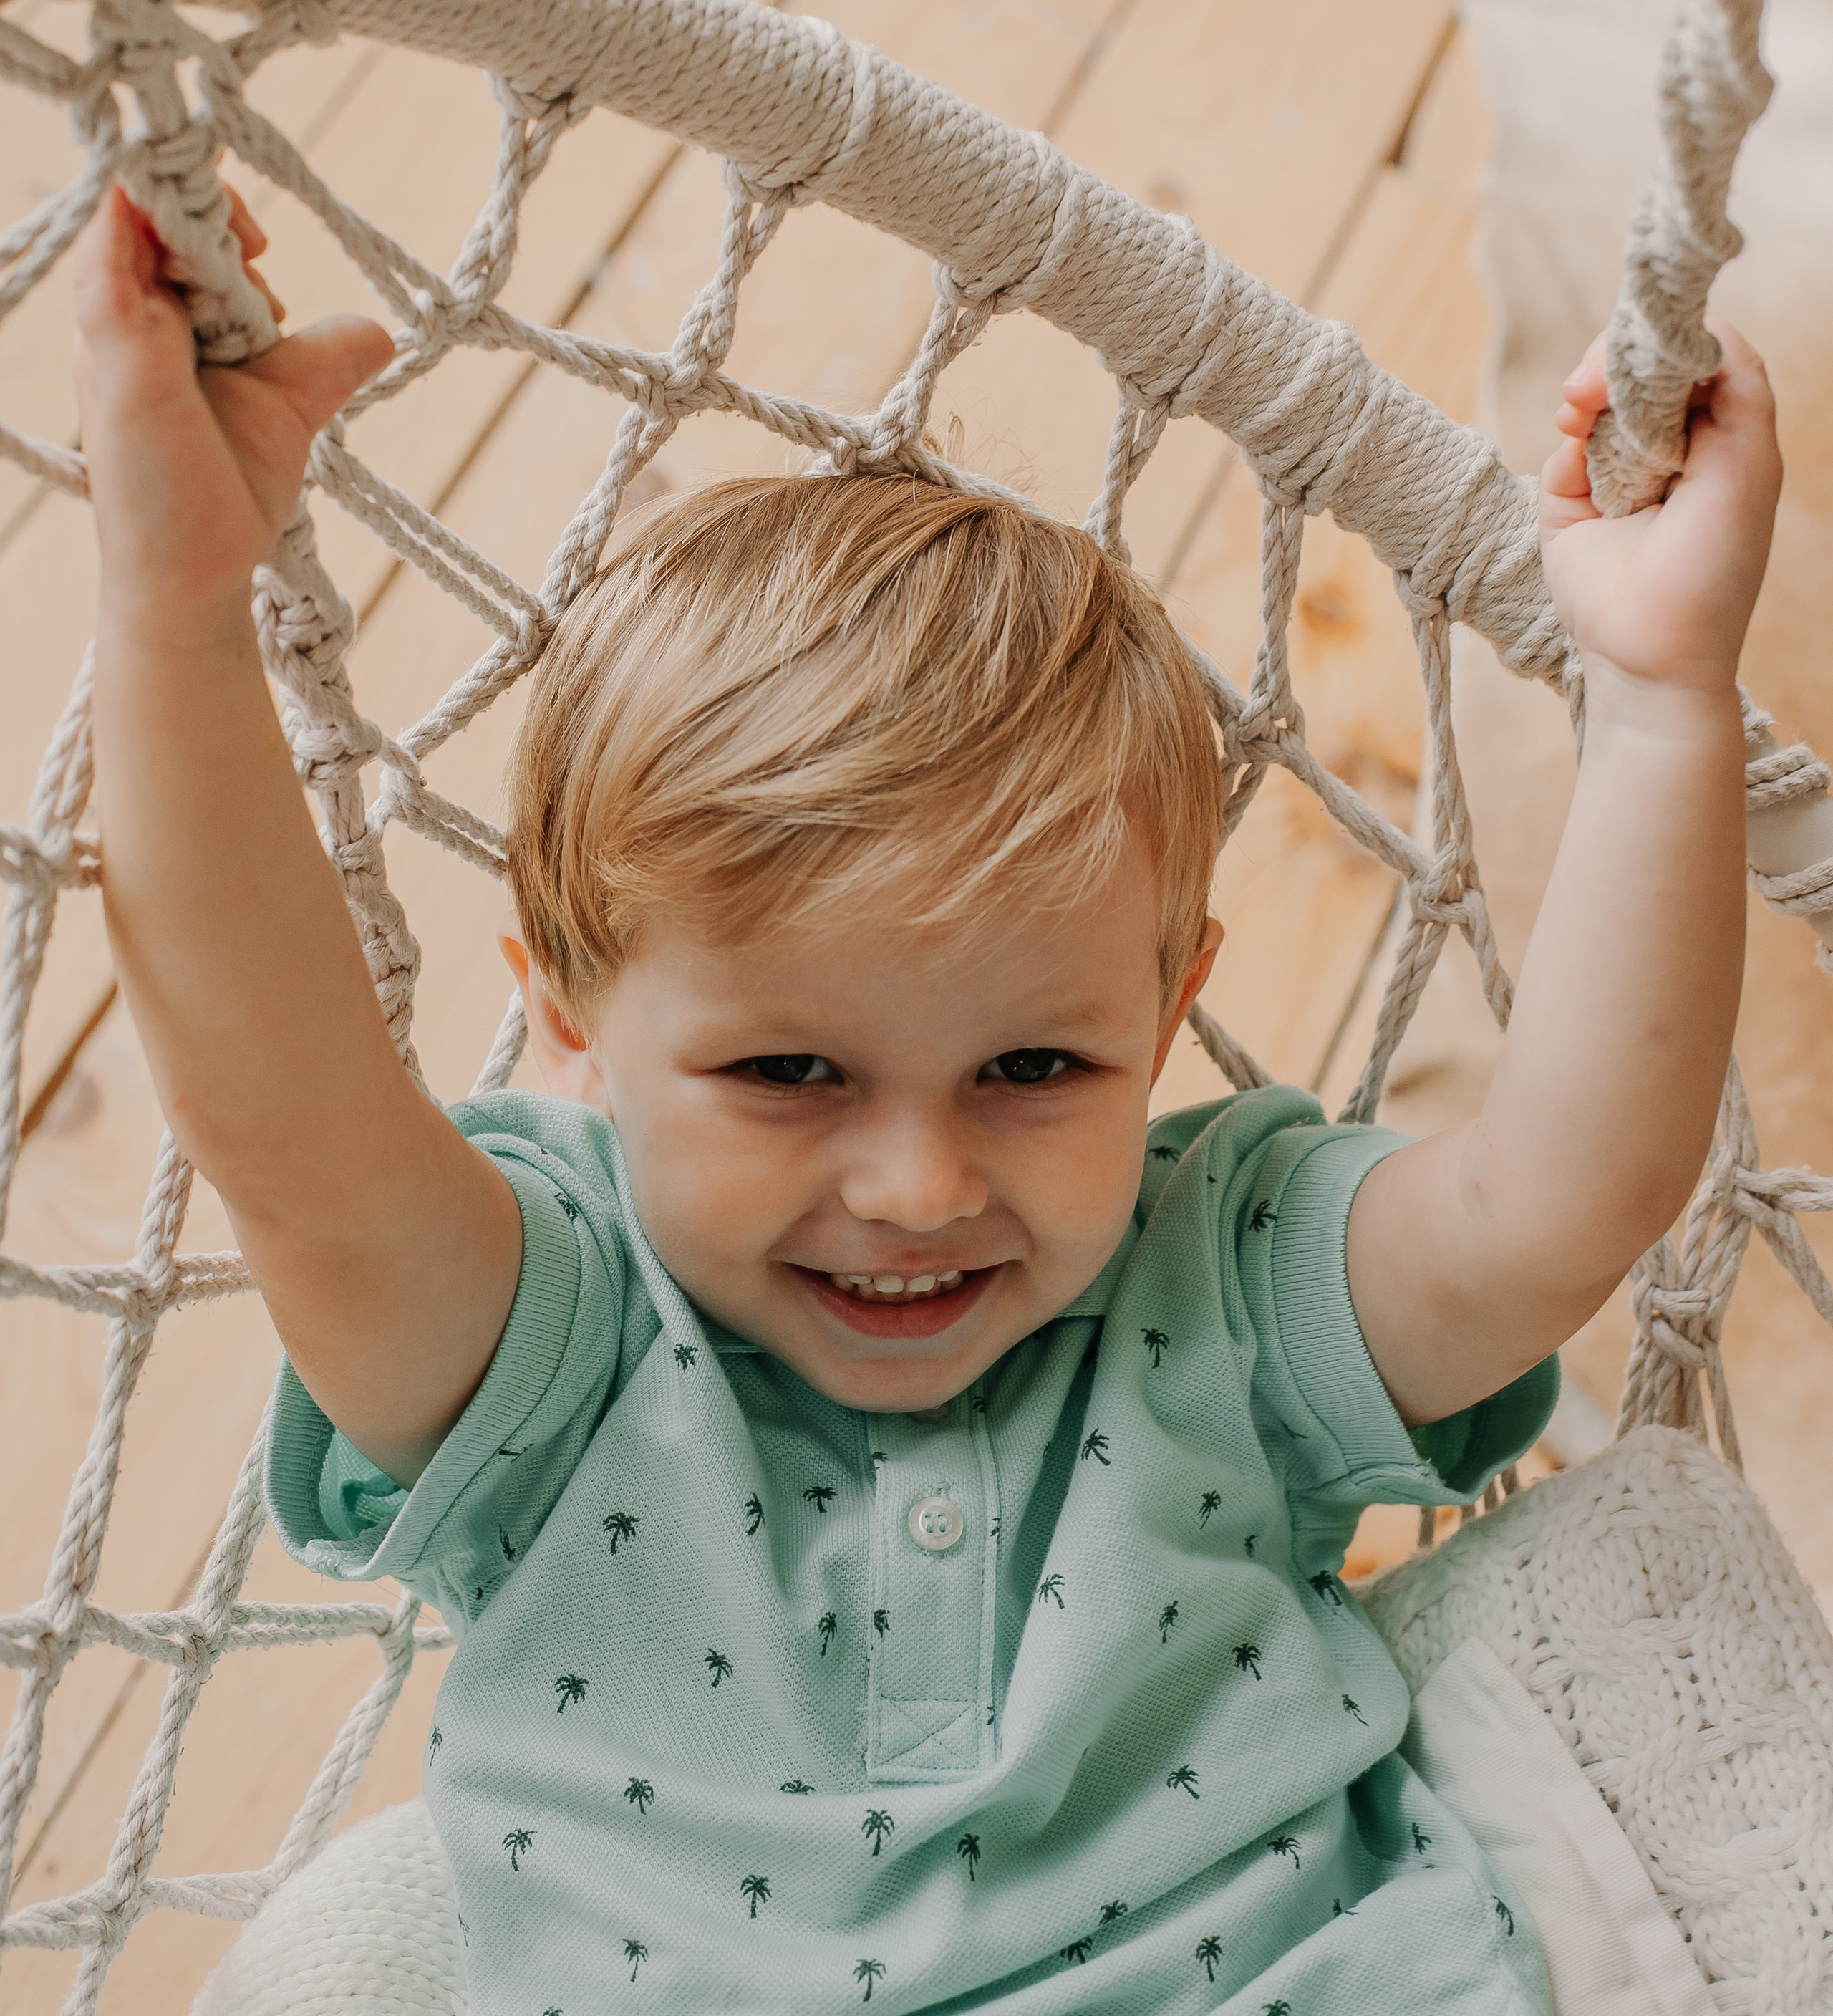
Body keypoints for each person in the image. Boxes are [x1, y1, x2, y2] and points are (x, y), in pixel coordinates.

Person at [72, 173, 1779, 2015]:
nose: (911, 1182)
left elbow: (1568, 1192)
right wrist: (176, 614)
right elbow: (288, 1134)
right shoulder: (554, 1358)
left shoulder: (1219, 1282)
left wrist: (1663, 692)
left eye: (1034, 1068)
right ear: (565, 1029)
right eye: (786, 1073)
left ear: (1169, 1002)